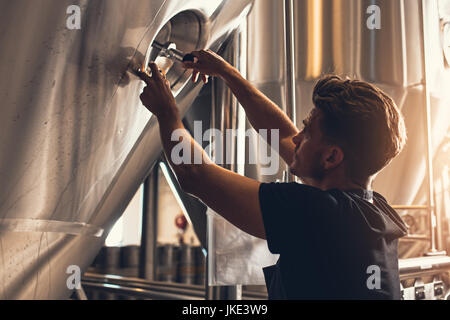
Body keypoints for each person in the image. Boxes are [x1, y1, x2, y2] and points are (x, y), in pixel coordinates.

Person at [137, 49, 408, 300]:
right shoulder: (372, 209)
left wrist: (167, 112)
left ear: (331, 157)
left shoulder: (317, 213)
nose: (297, 138)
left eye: (308, 132)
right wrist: (227, 73)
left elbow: (194, 173)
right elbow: (285, 137)